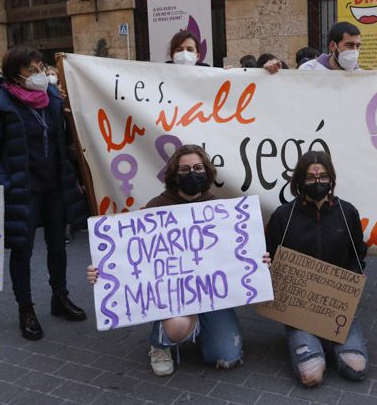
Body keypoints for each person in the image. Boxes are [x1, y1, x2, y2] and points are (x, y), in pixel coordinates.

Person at [86, 145, 268, 376]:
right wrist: (102, 272)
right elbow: (135, 258)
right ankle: (160, 343)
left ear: (208, 172)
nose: (192, 173)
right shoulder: (156, 208)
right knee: (178, 326)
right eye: (184, 170)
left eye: (198, 168)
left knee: (226, 356)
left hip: (213, 295)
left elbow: (238, 254)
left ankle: (200, 329)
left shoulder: (221, 210)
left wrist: (258, 260)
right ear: (173, 174)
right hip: (173, 296)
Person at [0, 45, 88, 340]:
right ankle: (25, 308)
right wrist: (3, 181)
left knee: (58, 245)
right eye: (32, 69)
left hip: (54, 186)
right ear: (15, 74)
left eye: (41, 67)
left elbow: (64, 140)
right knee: (22, 249)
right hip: (22, 189)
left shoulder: (51, 97)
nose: (39, 73)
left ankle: (60, 297)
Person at [265, 151, 368, 387]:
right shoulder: (284, 216)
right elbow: (271, 256)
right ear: (299, 181)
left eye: (322, 176)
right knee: (311, 376)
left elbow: (357, 253)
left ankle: (331, 339)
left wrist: (354, 281)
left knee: (357, 369)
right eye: (310, 178)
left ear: (331, 179)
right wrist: (267, 264)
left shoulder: (347, 212)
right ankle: (306, 339)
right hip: (299, 307)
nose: (317, 182)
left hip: (337, 305)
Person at [295, 22, 377, 74]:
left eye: (357, 46)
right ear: (332, 46)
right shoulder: (309, 70)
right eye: (349, 45)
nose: (354, 51)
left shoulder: (361, 76)